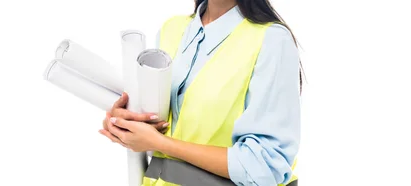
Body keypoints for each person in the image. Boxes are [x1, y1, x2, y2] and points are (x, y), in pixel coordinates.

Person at [99, 0, 302, 185]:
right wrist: (124, 123)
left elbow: (264, 167)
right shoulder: (172, 29)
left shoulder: (272, 40)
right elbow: (154, 124)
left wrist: (161, 143)